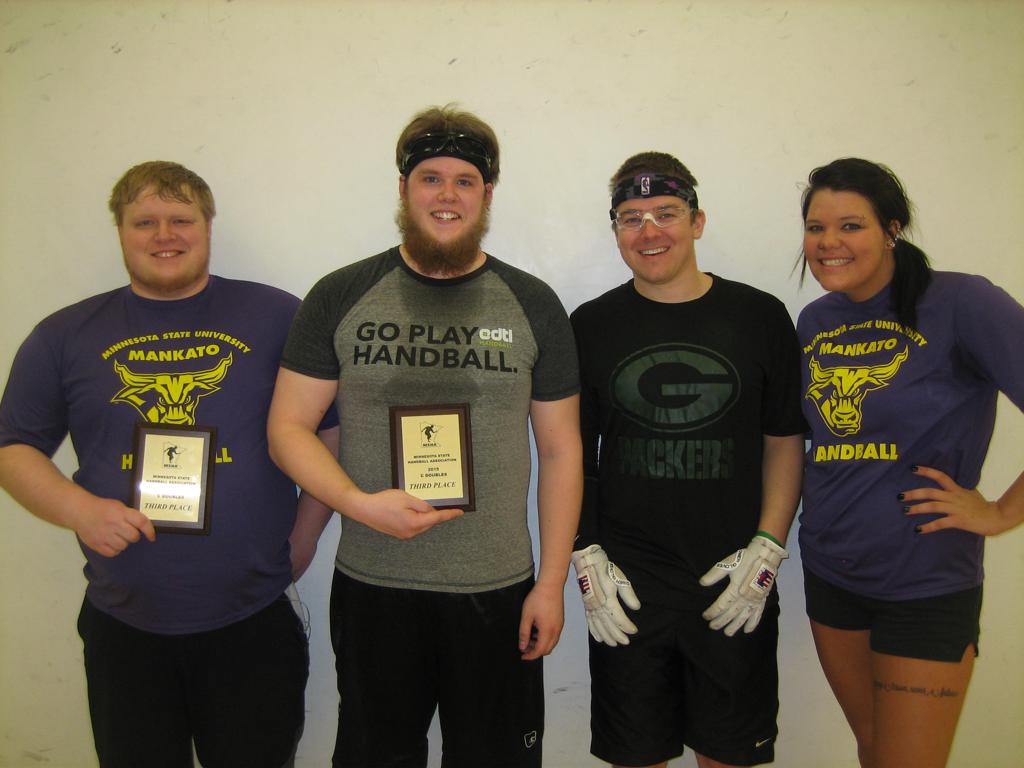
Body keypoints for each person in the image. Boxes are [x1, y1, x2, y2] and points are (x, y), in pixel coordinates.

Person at [266, 104, 582, 768]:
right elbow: (288, 429)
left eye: (465, 181)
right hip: (374, 585)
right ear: (404, 189)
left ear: (487, 193)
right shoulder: (342, 294)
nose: (447, 195)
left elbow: (561, 450)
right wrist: (358, 504)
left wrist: (550, 584)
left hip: (496, 589)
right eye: (430, 178)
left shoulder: (532, 303)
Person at [0, 161, 337, 768]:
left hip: (252, 619)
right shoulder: (63, 335)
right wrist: (79, 510)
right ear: (120, 230)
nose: (165, 235)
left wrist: (307, 534)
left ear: (207, 226)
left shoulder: (276, 316)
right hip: (124, 624)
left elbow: (328, 430)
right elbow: (13, 447)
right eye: (145, 222)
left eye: (181, 219)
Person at [569, 152, 805, 768]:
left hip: (733, 578)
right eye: (631, 217)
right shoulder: (590, 325)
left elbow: (784, 440)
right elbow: (573, 454)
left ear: (697, 221)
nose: (649, 231)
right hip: (627, 588)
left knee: (728, 756)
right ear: (616, 231)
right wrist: (584, 551)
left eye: (666, 213)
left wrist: (768, 548)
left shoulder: (760, 316)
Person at [796, 157, 1024, 768]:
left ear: (892, 229)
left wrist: (1001, 512)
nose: (829, 242)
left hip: (925, 581)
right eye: (816, 228)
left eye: (851, 225)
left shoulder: (961, 302)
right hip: (831, 571)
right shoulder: (816, 321)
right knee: (873, 750)